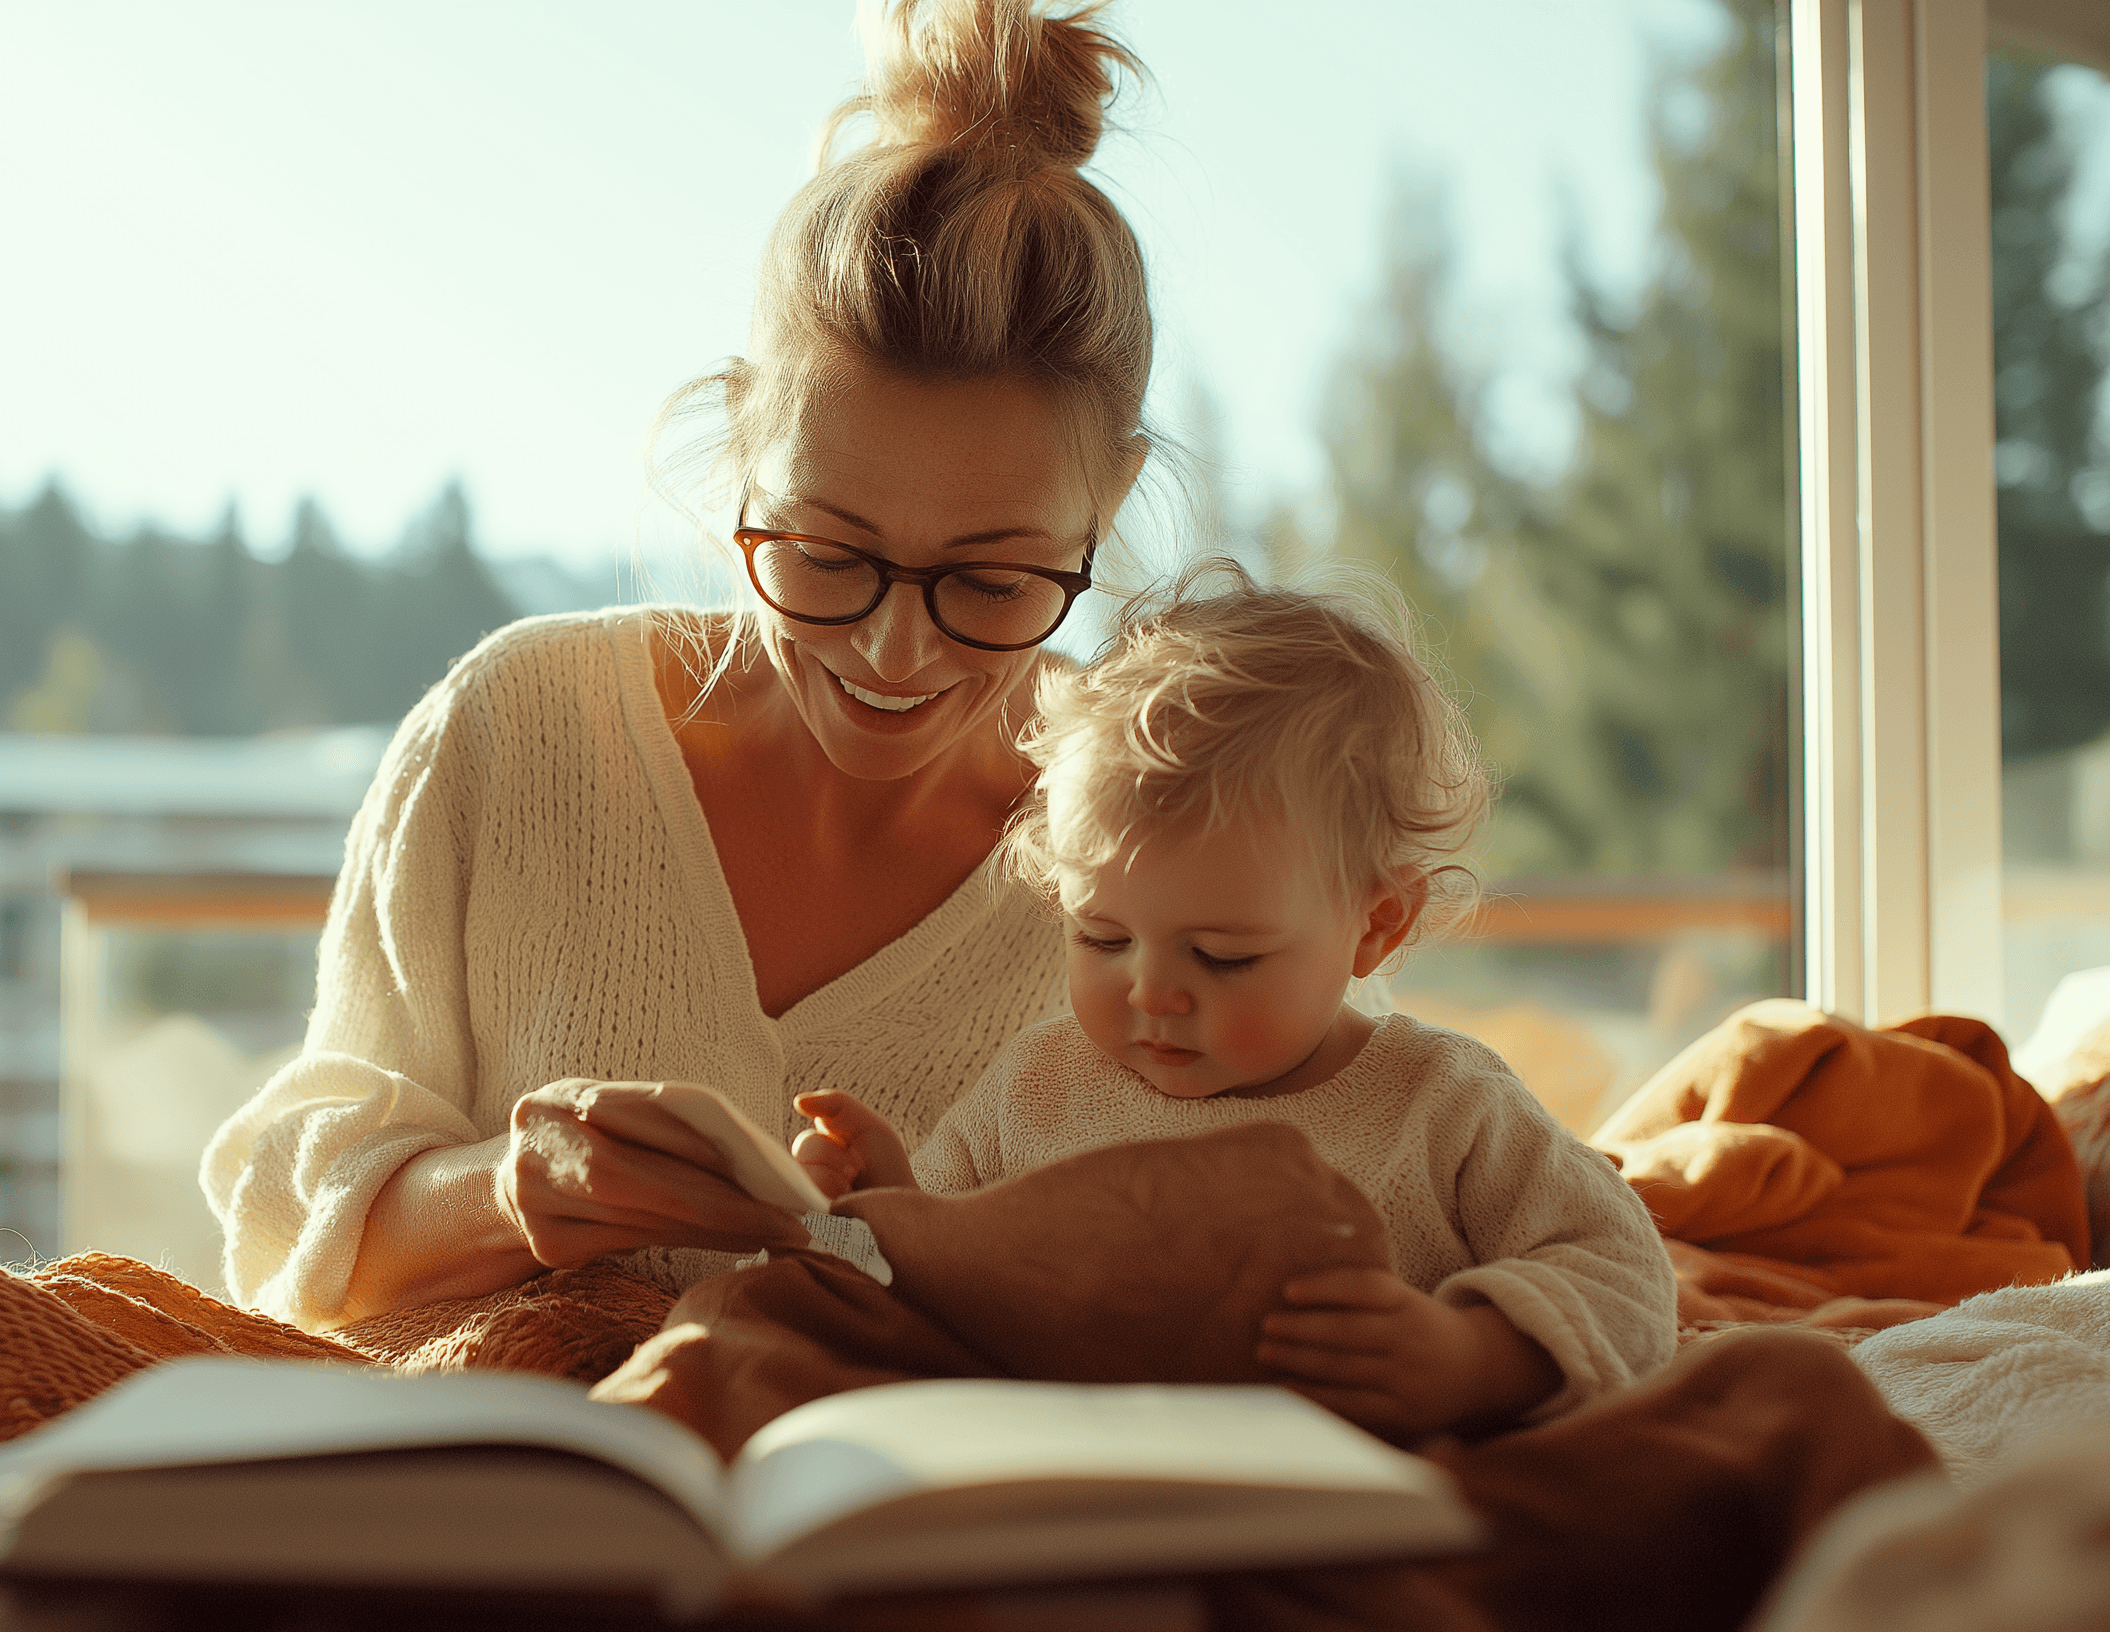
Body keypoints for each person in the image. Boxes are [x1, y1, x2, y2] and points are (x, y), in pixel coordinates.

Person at [200, 0, 1160, 1329]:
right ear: (737, 449)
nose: (894, 651)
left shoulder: (1173, 827)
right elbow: (290, 1239)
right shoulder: (517, 729)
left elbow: (1353, 1219)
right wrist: (513, 1192)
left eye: (994, 581)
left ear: (1111, 500)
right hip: (487, 1487)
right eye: (826, 554)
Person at [791, 565, 1680, 1438]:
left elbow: (1623, 1272)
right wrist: (886, 1201)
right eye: (1100, 937)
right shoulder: (1035, 1086)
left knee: (1773, 1396)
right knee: (743, 1333)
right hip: (1070, 1485)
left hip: (1350, 1493)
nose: (1150, 992)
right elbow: (931, 1276)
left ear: (1376, 924)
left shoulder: (1442, 1103)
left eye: (1222, 958)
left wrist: (1471, 1359)